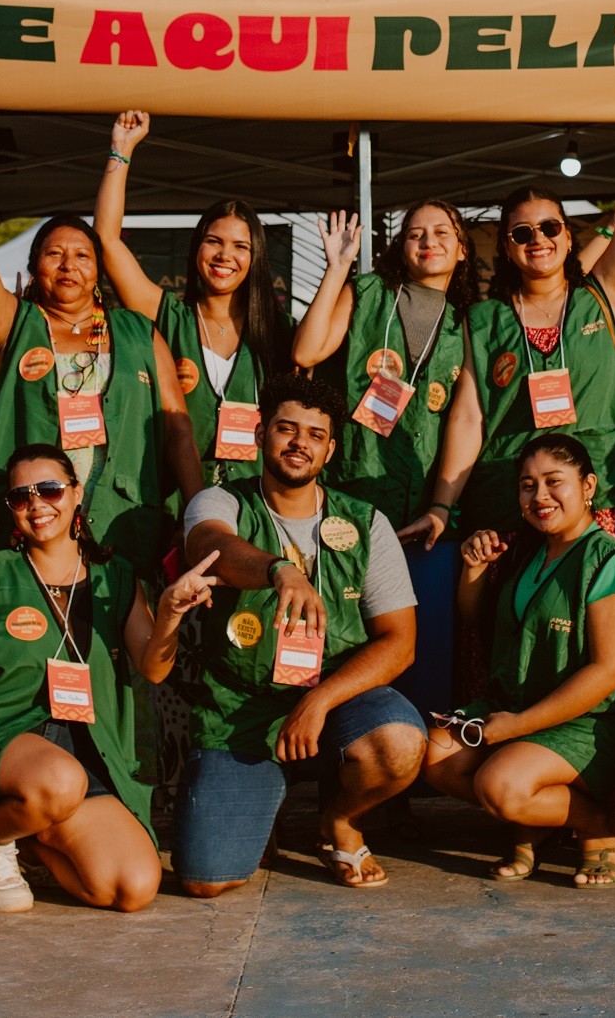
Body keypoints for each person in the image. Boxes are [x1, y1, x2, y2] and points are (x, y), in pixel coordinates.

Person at [0, 445, 220, 914]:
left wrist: (171, 614)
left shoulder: (114, 576)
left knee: (132, 887)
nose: (37, 505)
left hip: (81, 749)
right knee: (58, 780)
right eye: (21, 496)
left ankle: (30, 836)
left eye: (50, 490)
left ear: (76, 494)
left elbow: (154, 667)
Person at [418, 54, 615, 543]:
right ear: (505, 247)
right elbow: (468, 417)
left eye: (550, 228)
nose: (537, 239)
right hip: (510, 504)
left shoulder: (601, 297)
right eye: (522, 232)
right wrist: (442, 503)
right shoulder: (483, 320)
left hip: (599, 498)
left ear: (568, 238)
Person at [173, 375, 425, 895]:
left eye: (314, 434)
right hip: (243, 708)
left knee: (398, 742)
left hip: (335, 701)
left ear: (330, 449)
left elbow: (400, 641)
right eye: (286, 429)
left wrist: (321, 700)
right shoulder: (219, 502)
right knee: (206, 880)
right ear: (261, 433)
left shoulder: (366, 521)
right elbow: (209, 544)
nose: (298, 443)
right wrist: (280, 571)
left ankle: (339, 822)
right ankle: (260, 803)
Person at [0, 137, 201, 578]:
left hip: (121, 519)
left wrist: (196, 513)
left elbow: (177, 428)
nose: (68, 265)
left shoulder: (138, 331)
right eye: (54, 255)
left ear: (98, 272)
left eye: (82, 256)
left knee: (123, 632)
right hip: (29, 520)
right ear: (35, 268)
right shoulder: (14, 326)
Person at [423, 434, 615, 888]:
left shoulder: (608, 562)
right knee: (435, 756)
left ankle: (597, 824)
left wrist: (517, 726)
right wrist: (474, 571)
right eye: (527, 485)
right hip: (519, 706)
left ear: (588, 486)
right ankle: (538, 823)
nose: (539, 496)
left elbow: (610, 672)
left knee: (499, 786)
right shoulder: (528, 550)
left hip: (589, 719)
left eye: (553, 482)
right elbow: (474, 619)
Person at [292, 201, 481, 712]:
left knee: (422, 641)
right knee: (349, 634)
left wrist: (441, 505)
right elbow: (307, 352)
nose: (428, 241)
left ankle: (414, 753)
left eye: (443, 232)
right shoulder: (370, 293)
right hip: (352, 499)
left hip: (425, 512)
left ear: (463, 249)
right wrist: (337, 270)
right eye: (415, 233)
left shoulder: (473, 322)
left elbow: (466, 421)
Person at [98, 112, 289, 490]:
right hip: (176, 503)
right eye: (214, 241)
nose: (224, 256)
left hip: (257, 505)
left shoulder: (276, 331)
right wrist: (121, 151)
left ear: (256, 259)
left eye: (240, 247)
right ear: (197, 247)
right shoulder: (170, 315)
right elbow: (107, 240)